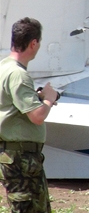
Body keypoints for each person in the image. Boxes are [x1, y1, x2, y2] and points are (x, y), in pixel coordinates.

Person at [0, 17, 58, 213]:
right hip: (22, 159)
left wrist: (37, 96)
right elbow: (37, 116)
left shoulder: (3, 68)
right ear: (34, 43)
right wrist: (49, 99)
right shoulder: (18, 74)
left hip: (12, 155)